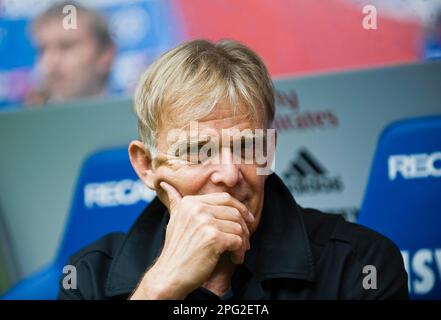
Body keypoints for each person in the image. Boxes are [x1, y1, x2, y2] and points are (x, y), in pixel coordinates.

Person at [58, 39, 408, 300]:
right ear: (147, 165)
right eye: (197, 151)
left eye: (248, 147)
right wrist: (160, 287)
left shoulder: (359, 264)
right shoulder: (89, 275)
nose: (229, 173)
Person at [26, 2, 115, 105]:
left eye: (66, 46)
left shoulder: (132, 116)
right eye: (42, 50)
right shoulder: (22, 119)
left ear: (105, 55)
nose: (51, 60)